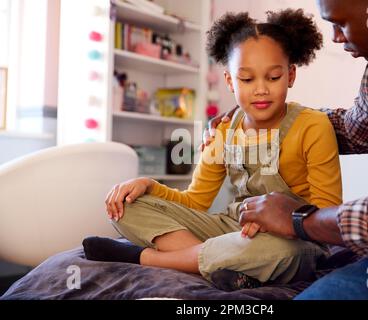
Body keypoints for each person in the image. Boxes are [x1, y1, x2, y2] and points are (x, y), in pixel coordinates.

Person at [82, 9, 343, 291]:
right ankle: (219, 263)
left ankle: (147, 258)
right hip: (234, 226)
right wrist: (148, 185)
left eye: (273, 77)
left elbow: (328, 215)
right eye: (246, 79)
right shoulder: (223, 130)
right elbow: (195, 202)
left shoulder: (313, 126)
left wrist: (283, 222)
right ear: (230, 81)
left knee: (276, 251)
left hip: (293, 240)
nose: (260, 90)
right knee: (127, 207)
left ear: (290, 75)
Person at [206, 0, 368, 299]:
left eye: (340, 23)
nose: (336, 37)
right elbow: (352, 130)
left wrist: (300, 219)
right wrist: (266, 116)